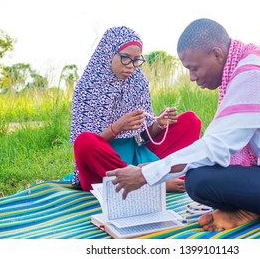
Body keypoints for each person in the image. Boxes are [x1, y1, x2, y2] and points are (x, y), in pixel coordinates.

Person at [106, 18, 260, 231]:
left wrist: (144, 174)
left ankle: (252, 209)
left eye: (194, 68)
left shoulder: (251, 76)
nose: (192, 78)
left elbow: (215, 147)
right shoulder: (253, 63)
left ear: (217, 54)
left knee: (199, 180)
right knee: (201, 171)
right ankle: (252, 209)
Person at [69, 26, 201, 193]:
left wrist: (158, 125)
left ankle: (152, 177)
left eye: (136, 60)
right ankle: (155, 184)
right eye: (125, 58)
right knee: (84, 141)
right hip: (103, 172)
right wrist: (116, 128)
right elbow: (84, 148)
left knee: (190, 121)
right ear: (108, 53)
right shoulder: (87, 88)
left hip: (139, 160)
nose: (131, 66)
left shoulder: (138, 82)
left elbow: (140, 139)